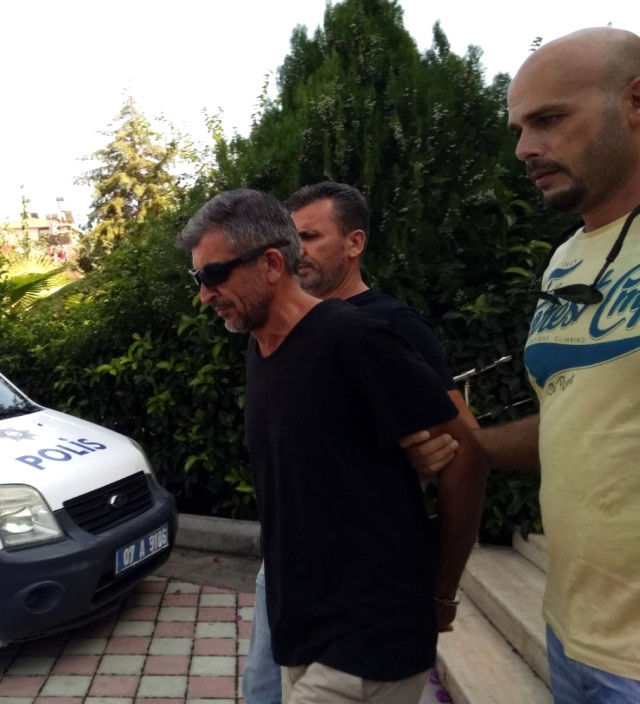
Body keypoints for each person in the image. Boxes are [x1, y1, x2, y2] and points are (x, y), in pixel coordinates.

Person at [177, 188, 488, 704]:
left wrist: (441, 592)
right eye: (199, 279)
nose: (206, 294)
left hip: (369, 639)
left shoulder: (356, 338)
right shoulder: (261, 346)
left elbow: (467, 455)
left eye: (215, 275)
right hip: (302, 630)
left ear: (271, 264)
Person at [407, 27, 640, 704]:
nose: (524, 149)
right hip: (574, 635)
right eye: (518, 129)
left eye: (549, 120)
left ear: (635, 103)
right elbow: (579, 414)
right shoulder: (567, 257)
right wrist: (465, 444)